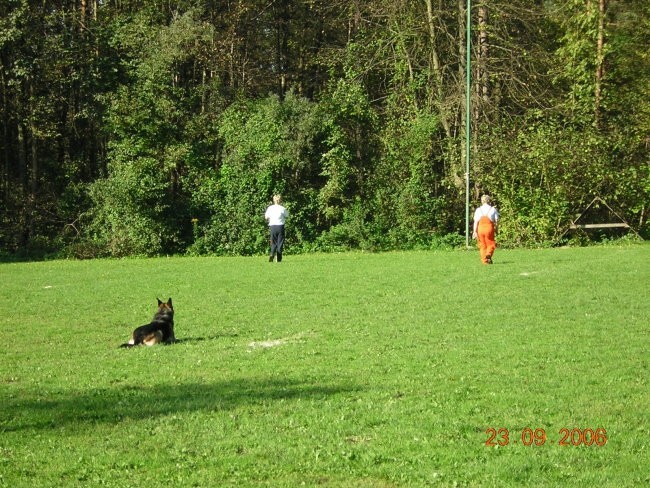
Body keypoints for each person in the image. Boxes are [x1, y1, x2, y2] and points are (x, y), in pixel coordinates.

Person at [472, 194, 499, 264]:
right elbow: (497, 220)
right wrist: (496, 229)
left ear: (481, 201)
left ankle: (485, 261)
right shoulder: (493, 209)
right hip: (489, 228)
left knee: (482, 245)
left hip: (480, 228)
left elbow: (475, 221)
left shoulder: (478, 210)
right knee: (491, 243)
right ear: (489, 201)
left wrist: (474, 231)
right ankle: (489, 254)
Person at [264, 194, 289, 262]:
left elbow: (266, 217)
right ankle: (278, 257)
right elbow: (287, 216)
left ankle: (272, 253)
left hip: (272, 227)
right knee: (280, 242)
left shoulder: (270, 208)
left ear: (273, 200)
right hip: (280, 226)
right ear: (280, 200)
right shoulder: (282, 208)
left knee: (273, 242)